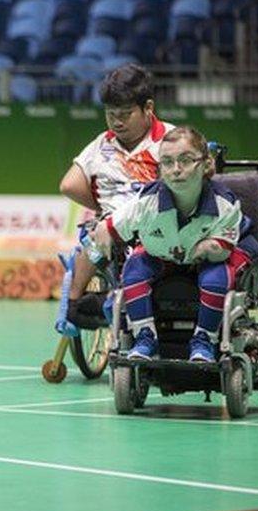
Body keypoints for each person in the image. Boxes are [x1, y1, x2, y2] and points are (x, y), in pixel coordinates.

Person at [89, 126, 258, 363]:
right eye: (167, 162)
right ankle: (144, 337)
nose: (176, 170)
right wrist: (102, 236)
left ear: (206, 164)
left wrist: (206, 249)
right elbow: (108, 228)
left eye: (186, 160)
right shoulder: (146, 202)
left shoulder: (224, 205)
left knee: (215, 276)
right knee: (133, 269)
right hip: (169, 252)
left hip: (223, 249)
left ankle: (204, 340)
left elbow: (219, 251)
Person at [58, 64, 174, 325]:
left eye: (126, 114)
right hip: (112, 225)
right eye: (111, 114)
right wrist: (104, 207)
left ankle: (94, 303)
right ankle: (75, 307)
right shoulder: (102, 143)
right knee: (93, 236)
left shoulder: (170, 139)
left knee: (103, 237)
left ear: (148, 108)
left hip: (157, 224)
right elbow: (69, 185)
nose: (117, 122)